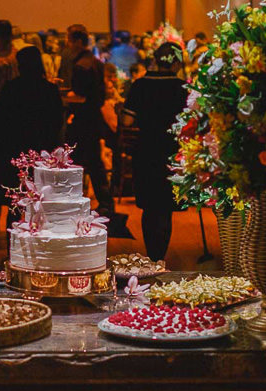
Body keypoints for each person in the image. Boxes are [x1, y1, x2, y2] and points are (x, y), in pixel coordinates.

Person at [121, 42, 188, 261]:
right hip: (172, 152)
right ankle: (160, 255)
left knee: (149, 206)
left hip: (145, 150)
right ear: (177, 63)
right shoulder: (182, 88)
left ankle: (152, 254)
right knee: (164, 206)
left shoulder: (140, 85)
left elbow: (128, 119)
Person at [0, 46, 65, 230]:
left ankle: (14, 245)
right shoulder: (50, 90)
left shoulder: (11, 88)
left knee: (15, 202)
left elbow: (0, 121)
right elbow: (56, 123)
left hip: (15, 152)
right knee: (42, 201)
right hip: (43, 153)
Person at [68, 28, 122, 229]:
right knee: (94, 162)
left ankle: (79, 202)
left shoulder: (81, 66)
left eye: (70, 40)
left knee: (79, 161)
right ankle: (105, 203)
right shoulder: (97, 63)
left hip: (83, 119)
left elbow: (80, 95)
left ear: (77, 42)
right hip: (94, 118)